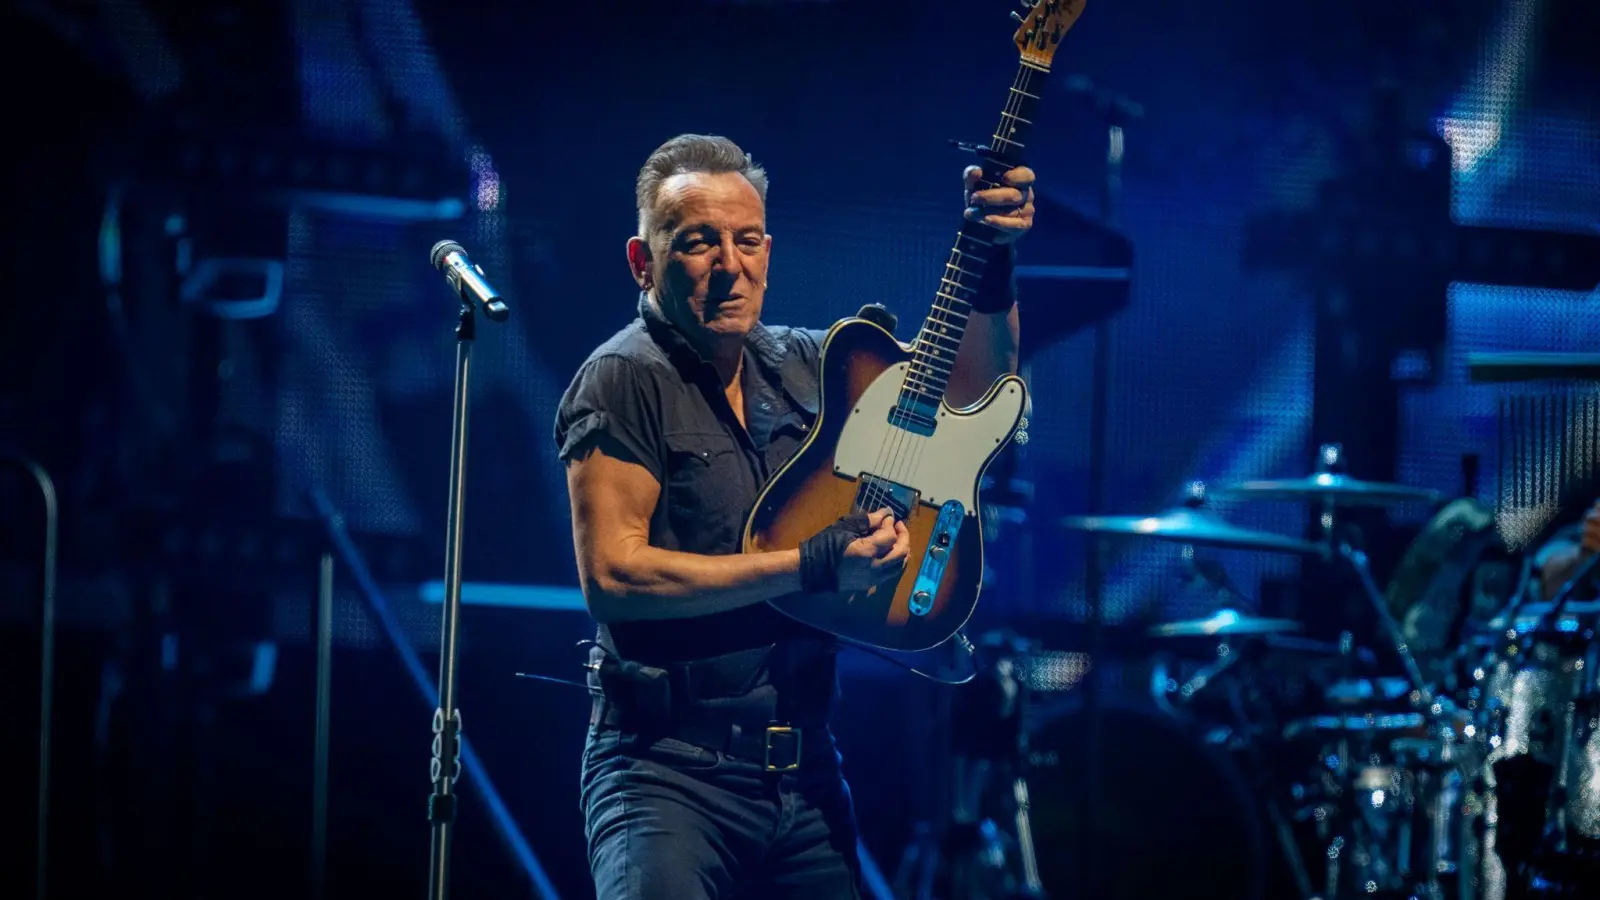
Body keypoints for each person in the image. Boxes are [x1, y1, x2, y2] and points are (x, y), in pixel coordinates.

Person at [552, 133, 1034, 900]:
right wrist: (809, 564)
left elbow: (969, 397)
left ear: (769, 251)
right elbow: (614, 575)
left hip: (805, 775)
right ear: (644, 263)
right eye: (698, 242)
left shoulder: (814, 363)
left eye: (746, 241)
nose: (729, 265)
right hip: (666, 774)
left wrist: (994, 261)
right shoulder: (622, 378)